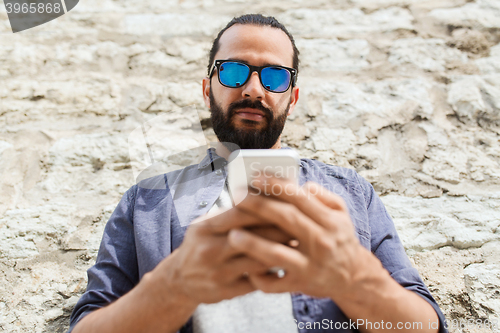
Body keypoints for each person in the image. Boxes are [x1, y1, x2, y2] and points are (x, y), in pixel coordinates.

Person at [68, 14, 448, 333]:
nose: (253, 89)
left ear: (292, 97)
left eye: (275, 77)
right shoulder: (147, 200)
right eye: (233, 72)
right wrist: (174, 287)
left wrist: (354, 280)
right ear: (207, 88)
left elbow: (424, 326)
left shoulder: (351, 193)